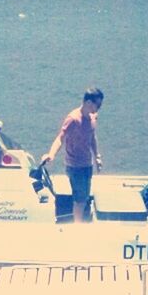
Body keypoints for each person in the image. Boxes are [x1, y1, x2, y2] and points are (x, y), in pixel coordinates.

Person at [41, 88, 104, 223]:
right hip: (74, 165)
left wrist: (97, 156)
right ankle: (77, 226)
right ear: (88, 102)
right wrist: (51, 154)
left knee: (84, 196)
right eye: (97, 105)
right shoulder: (73, 119)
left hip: (87, 164)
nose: (98, 108)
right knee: (80, 199)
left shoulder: (93, 118)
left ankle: (78, 221)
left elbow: (92, 137)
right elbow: (60, 138)